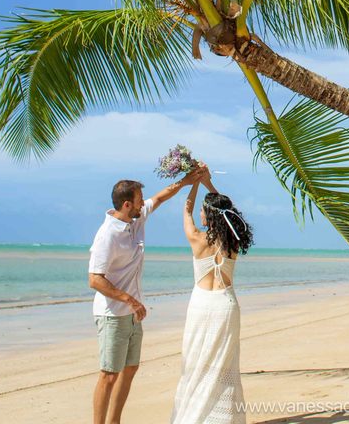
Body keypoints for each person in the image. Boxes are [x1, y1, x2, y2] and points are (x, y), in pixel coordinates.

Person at [88, 172, 196, 424]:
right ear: (127, 205)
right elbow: (94, 279)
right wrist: (130, 299)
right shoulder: (107, 235)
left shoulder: (136, 219)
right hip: (112, 314)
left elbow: (160, 197)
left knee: (130, 368)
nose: (143, 204)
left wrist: (187, 180)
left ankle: (114, 421)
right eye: (139, 200)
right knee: (109, 374)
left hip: (132, 313)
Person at [170, 162, 254, 424]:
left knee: (195, 361)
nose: (200, 214)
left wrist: (195, 182)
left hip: (201, 305)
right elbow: (230, 212)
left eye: (204, 211)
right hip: (226, 305)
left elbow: (186, 209)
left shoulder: (197, 238)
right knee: (224, 364)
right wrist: (208, 182)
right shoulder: (233, 241)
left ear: (208, 215)